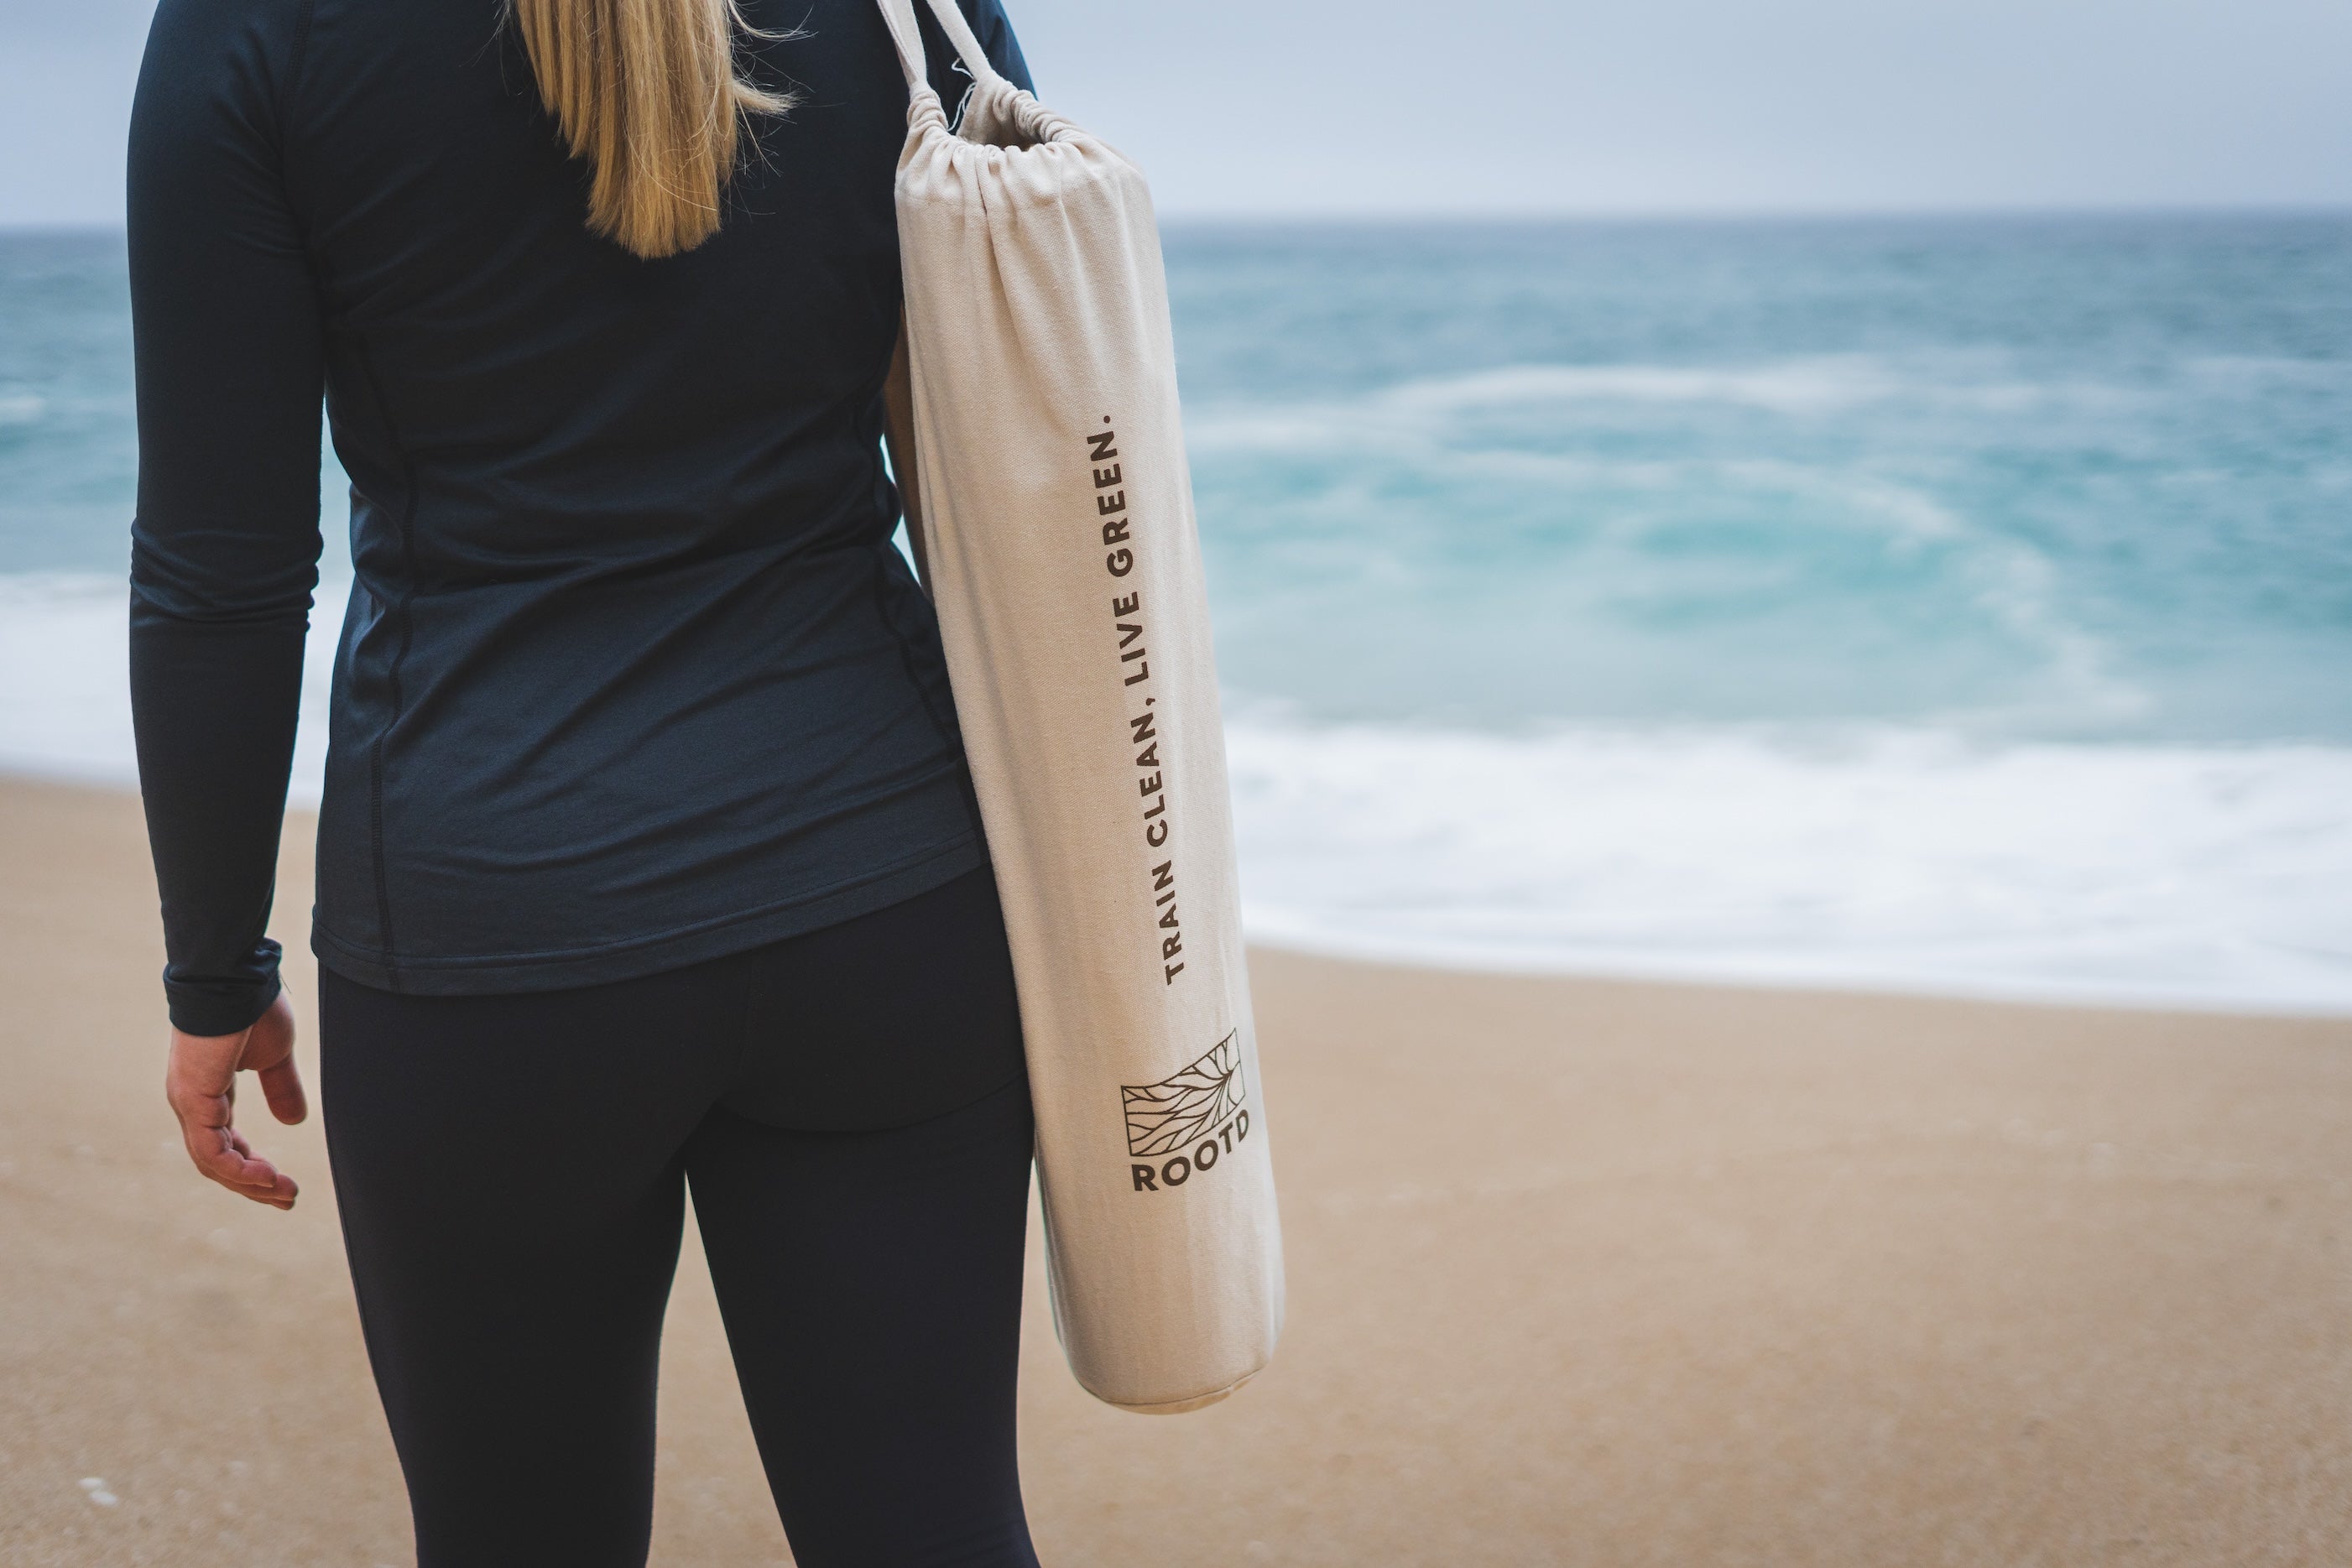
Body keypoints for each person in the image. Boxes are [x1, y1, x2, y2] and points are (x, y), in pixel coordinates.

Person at [126, 0, 1044, 1561]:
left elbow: (222, 575)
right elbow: (1010, 384)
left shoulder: (250, 30)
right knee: (934, 1529)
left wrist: (218, 969)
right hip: (888, 886)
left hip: (494, 927)